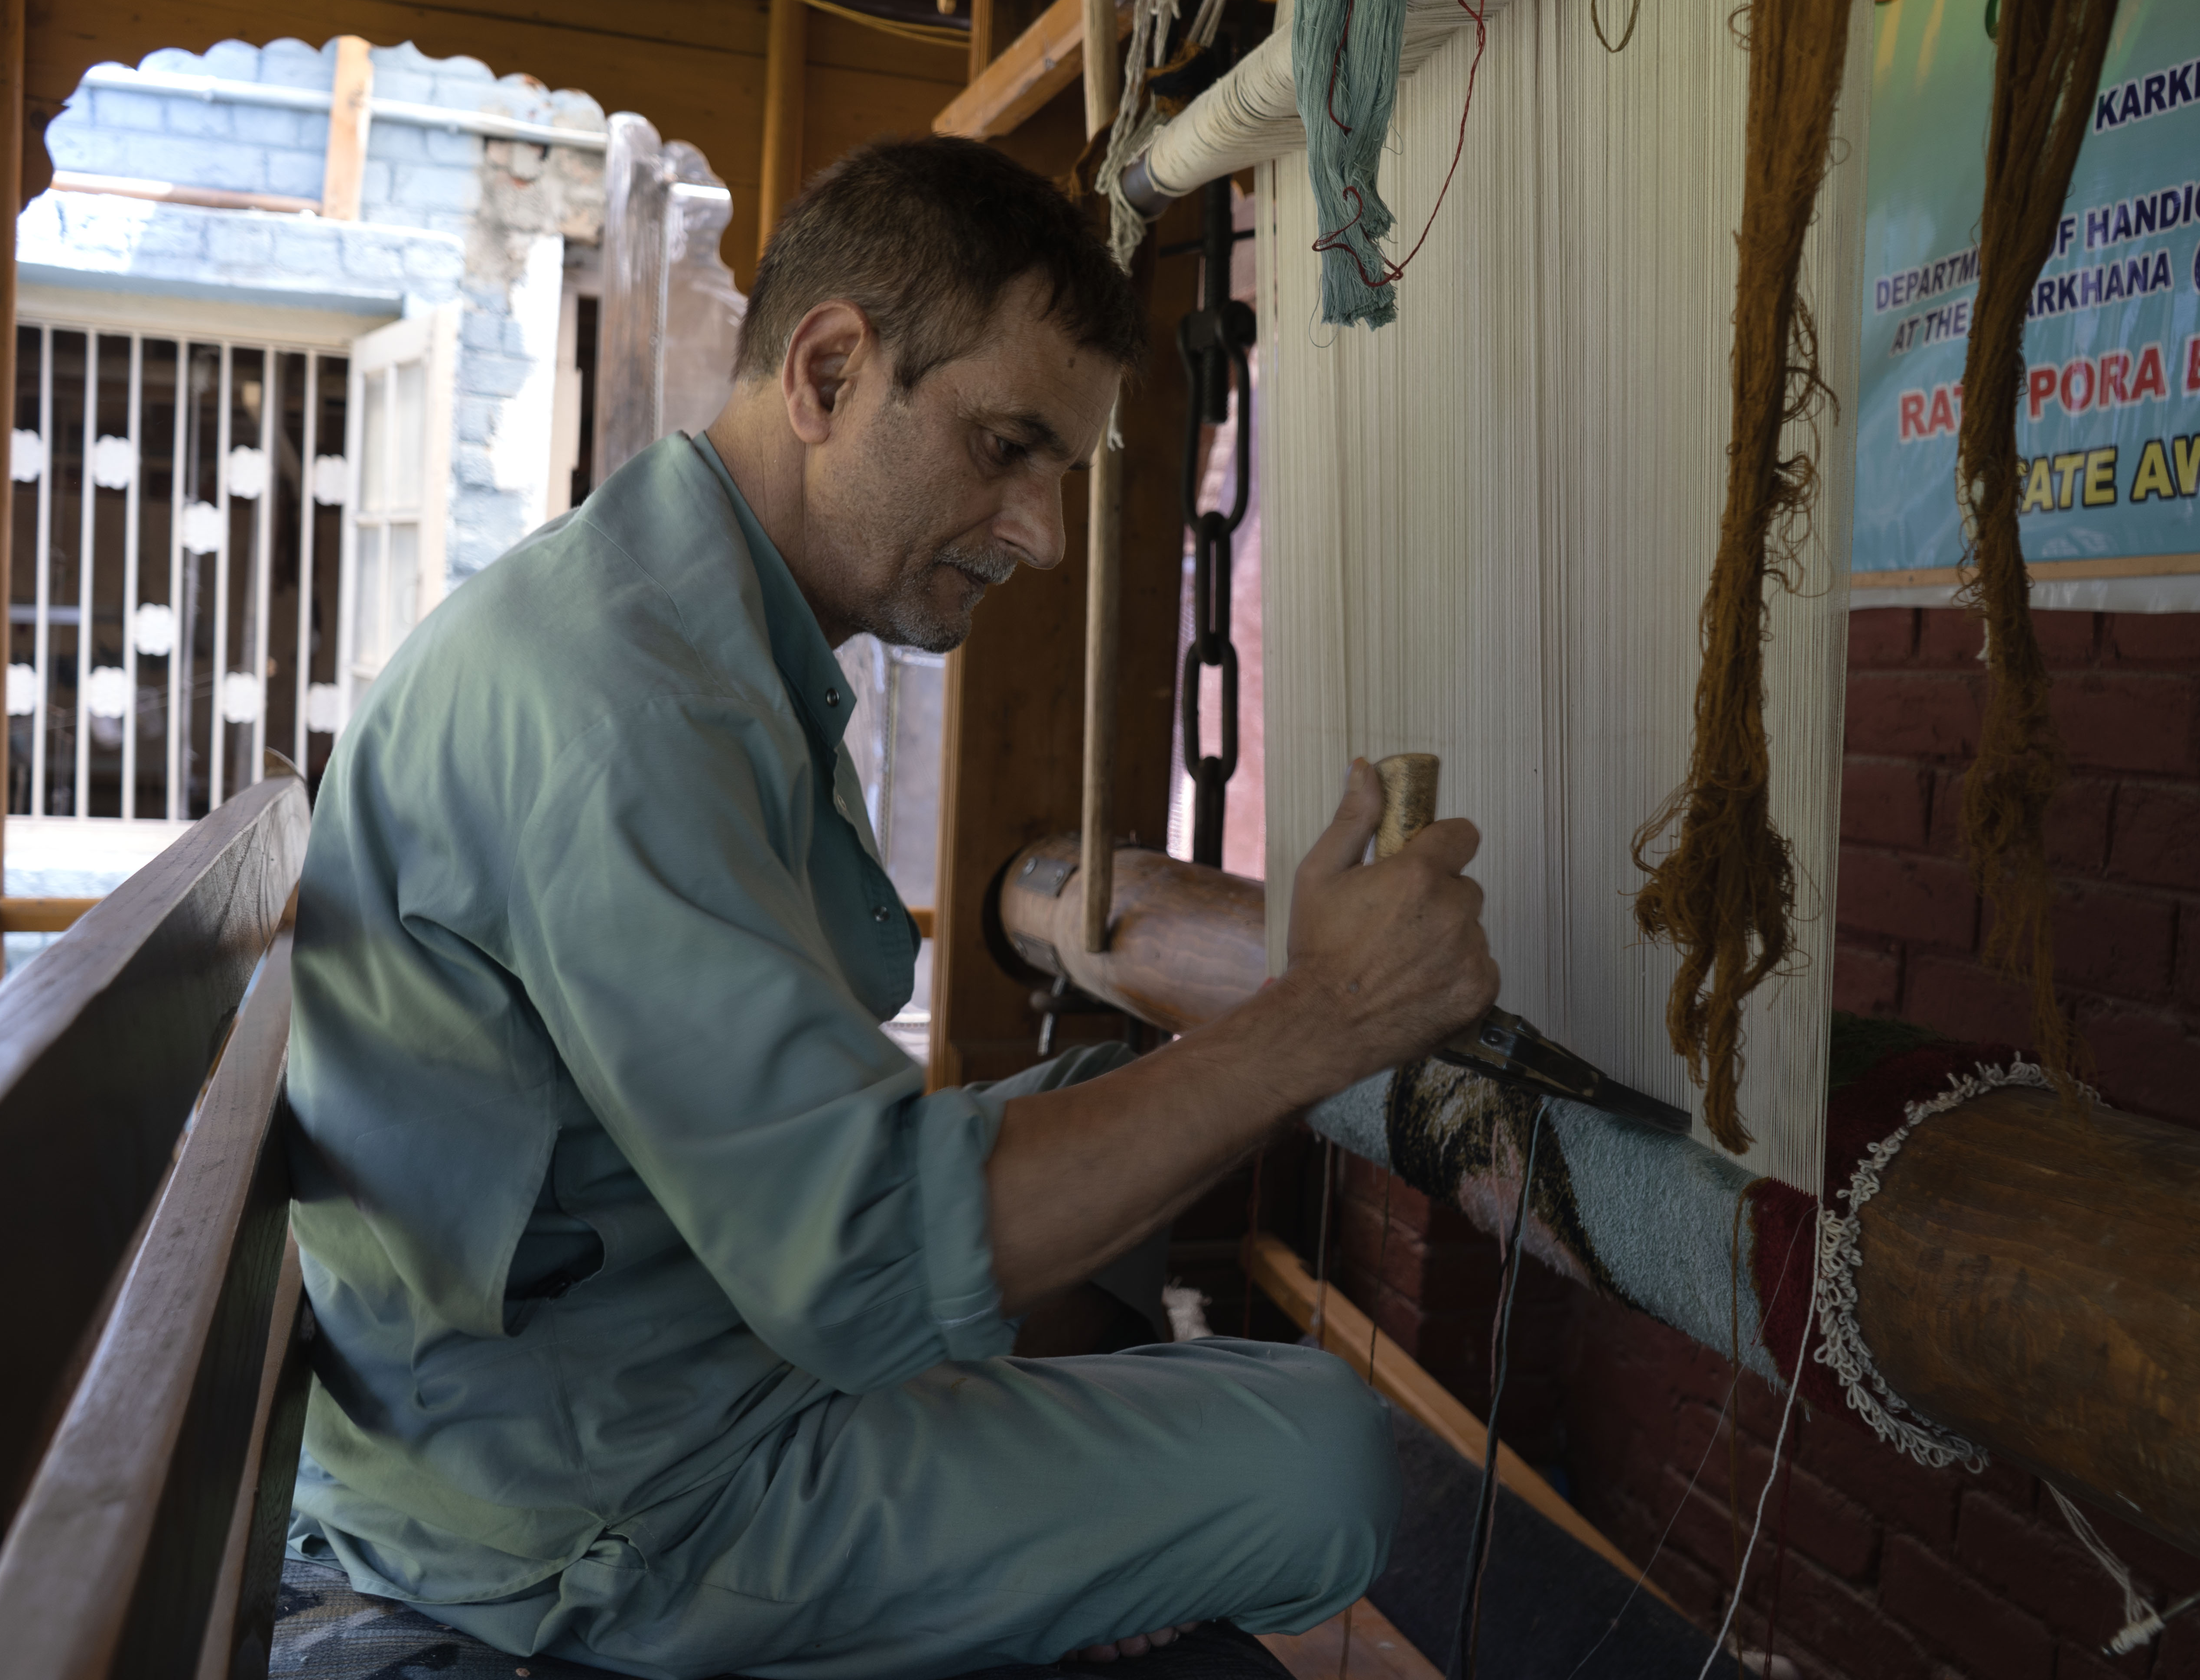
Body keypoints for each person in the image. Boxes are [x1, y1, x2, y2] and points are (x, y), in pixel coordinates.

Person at [284, 134, 1501, 1680]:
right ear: (830, 370)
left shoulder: (686, 632)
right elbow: (859, 1265)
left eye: (1063, 473)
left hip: (658, 1389)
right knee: (1322, 1459)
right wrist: (1320, 1021)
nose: (1043, 536)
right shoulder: (627, 706)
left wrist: (1260, 1039)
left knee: (1203, 1347)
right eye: (1007, 448)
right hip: (593, 1509)